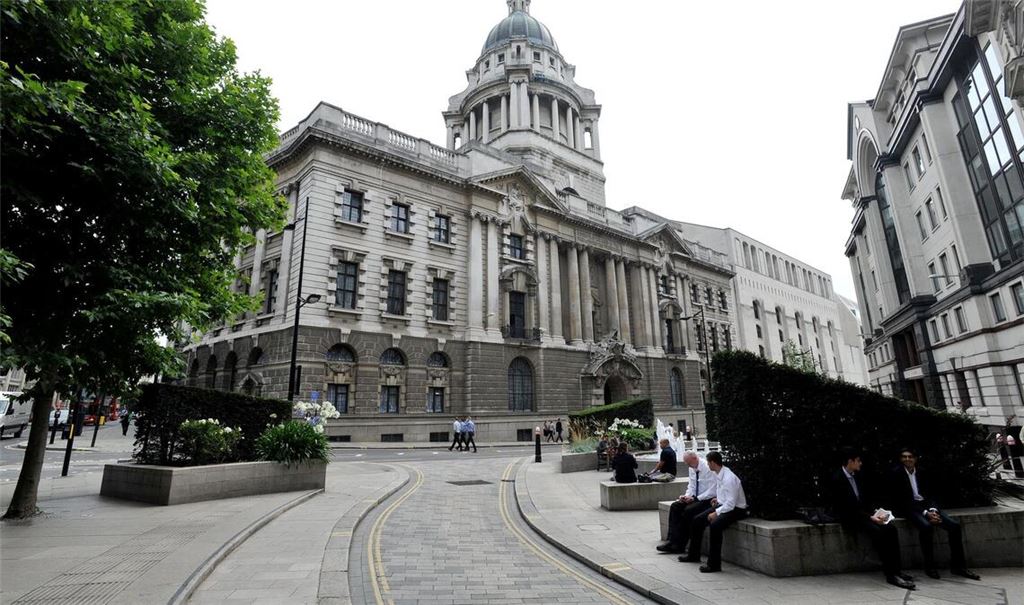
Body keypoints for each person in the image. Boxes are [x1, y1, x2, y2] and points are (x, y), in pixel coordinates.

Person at [827, 448, 915, 590]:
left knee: (891, 529)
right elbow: (845, 508)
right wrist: (871, 518)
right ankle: (890, 574)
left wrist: (876, 512)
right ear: (850, 461)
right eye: (858, 461)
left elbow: (866, 499)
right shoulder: (836, 479)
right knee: (879, 533)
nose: (860, 463)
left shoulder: (858, 476)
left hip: (864, 514)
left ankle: (897, 570)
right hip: (850, 517)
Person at [888, 447, 979, 581]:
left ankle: (959, 567)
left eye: (910, 456)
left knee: (954, 527)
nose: (907, 459)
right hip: (910, 508)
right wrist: (926, 514)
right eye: (904, 457)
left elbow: (932, 494)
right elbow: (902, 500)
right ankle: (930, 567)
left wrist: (933, 510)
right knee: (926, 527)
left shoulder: (923, 472)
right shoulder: (896, 474)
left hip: (927, 506)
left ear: (915, 459)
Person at [678, 451, 747, 573]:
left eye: (708, 462)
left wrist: (716, 513)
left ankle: (714, 564)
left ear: (713, 463)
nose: (707, 465)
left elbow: (731, 504)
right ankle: (694, 555)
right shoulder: (720, 473)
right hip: (724, 505)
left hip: (737, 509)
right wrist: (717, 500)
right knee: (697, 520)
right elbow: (725, 496)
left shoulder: (729, 478)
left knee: (715, 526)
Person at [658, 451, 716, 554]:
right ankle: (671, 541)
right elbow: (692, 485)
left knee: (688, 511)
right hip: (695, 497)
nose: (688, 465)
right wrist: (686, 496)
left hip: (707, 498)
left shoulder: (708, 468)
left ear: (695, 459)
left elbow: (712, 490)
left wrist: (696, 498)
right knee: (675, 506)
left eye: (688, 463)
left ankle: (680, 544)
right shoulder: (692, 467)